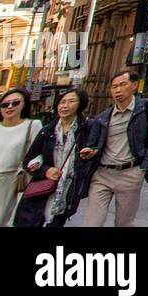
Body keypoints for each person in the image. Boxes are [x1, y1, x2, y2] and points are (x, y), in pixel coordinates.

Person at [82, 71, 148, 228]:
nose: (118, 90)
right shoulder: (103, 117)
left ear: (134, 85)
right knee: (92, 223)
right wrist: (90, 151)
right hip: (102, 175)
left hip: (130, 173)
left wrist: (143, 168)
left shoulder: (146, 108)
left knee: (124, 223)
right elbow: (92, 144)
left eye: (122, 85)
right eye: (114, 87)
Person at [14, 88, 96, 228]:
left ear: (80, 104)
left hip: (67, 189)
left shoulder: (88, 130)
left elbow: (92, 160)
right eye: (62, 102)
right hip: (41, 188)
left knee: (56, 222)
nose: (65, 105)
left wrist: (87, 157)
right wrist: (45, 170)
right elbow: (28, 160)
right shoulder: (47, 131)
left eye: (71, 101)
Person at [0, 88, 42, 227]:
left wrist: (37, 161)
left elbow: (40, 152)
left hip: (9, 181)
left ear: (24, 104)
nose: (10, 107)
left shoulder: (32, 125)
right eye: (5, 104)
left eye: (15, 103)